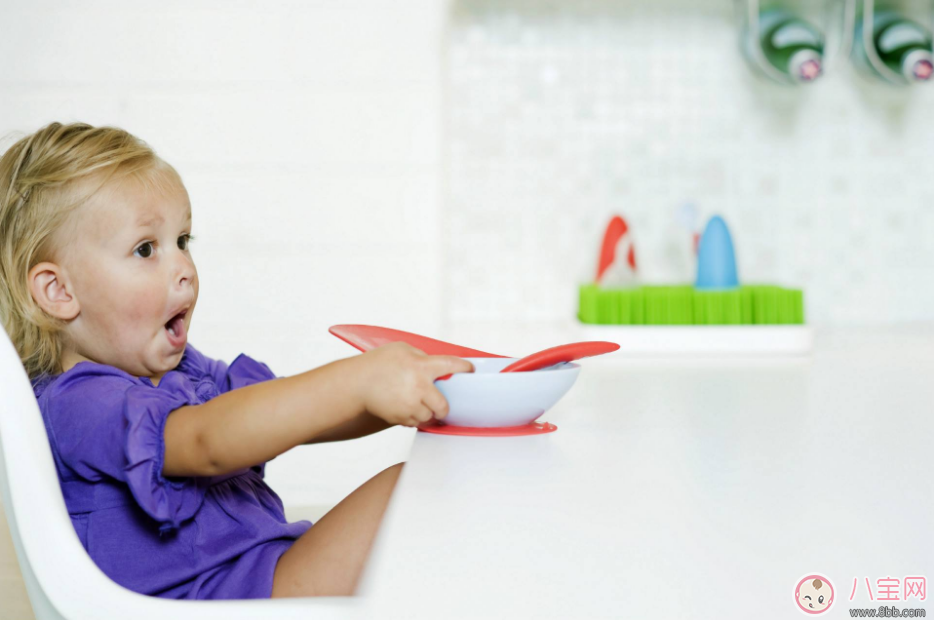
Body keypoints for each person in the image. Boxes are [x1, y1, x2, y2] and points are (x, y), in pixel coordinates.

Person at [0, 121, 474, 599]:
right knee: (412, 492)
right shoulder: (78, 403)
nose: (183, 269)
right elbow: (208, 441)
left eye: (183, 241)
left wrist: (406, 395)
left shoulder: (177, 375)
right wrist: (358, 382)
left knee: (434, 491)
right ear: (59, 291)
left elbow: (286, 415)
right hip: (226, 601)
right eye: (146, 249)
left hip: (261, 574)